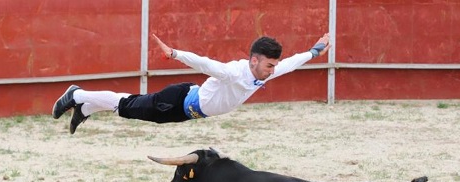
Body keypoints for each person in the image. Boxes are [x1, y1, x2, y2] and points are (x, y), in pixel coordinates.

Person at [52, 33, 331, 134]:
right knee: (127, 105)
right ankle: (78, 95)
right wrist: (174, 54)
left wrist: (315, 51)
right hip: (179, 102)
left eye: (273, 66)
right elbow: (205, 63)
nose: (272, 71)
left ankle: (86, 109)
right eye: (269, 65)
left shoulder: (262, 72)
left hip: (187, 109)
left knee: (129, 106)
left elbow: (291, 62)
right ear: (254, 60)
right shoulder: (234, 72)